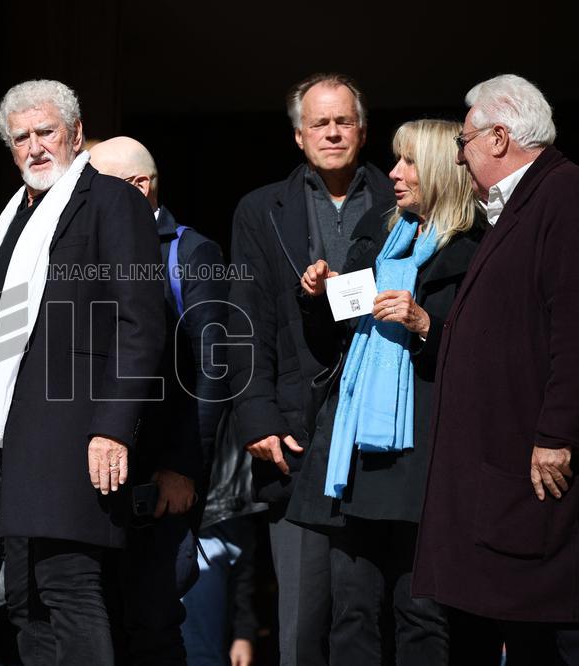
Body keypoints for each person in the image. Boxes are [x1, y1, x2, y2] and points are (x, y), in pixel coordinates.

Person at [0, 80, 166, 665]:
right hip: (9, 439)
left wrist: (114, 426)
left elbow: (141, 322)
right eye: (21, 138)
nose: (35, 147)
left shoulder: (112, 201)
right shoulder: (14, 217)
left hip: (75, 432)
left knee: (69, 587)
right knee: (23, 601)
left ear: (73, 132)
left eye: (46, 132)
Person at [289, 119, 484, 665]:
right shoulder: (381, 233)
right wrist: (318, 296)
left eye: (409, 162)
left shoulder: (476, 249)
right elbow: (335, 338)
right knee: (351, 610)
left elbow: (490, 360)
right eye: (395, 160)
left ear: (444, 170)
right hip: (358, 455)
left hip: (425, 458)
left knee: (420, 614)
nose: (394, 173)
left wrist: (426, 325)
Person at [226, 73, 393, 666]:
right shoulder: (259, 209)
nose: (331, 132)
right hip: (298, 431)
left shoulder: (403, 200)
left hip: (385, 431)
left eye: (342, 121)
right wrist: (257, 418)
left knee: (375, 619)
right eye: (318, 123)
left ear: (363, 130)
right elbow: (245, 321)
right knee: (301, 627)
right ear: (298, 136)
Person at [412, 74, 579, 665]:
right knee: (481, 622)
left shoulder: (561, 195)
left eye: (464, 143)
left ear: (500, 138)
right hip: (491, 468)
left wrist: (556, 433)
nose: (460, 158)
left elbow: (571, 323)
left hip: (528, 466)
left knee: (538, 630)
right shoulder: (515, 206)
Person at [89, 136, 226, 664]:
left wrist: (184, 468)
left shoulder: (189, 251)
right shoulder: (86, 249)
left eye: (95, 186)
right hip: (95, 469)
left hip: (157, 475)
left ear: (138, 186)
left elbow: (213, 370)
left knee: (151, 621)